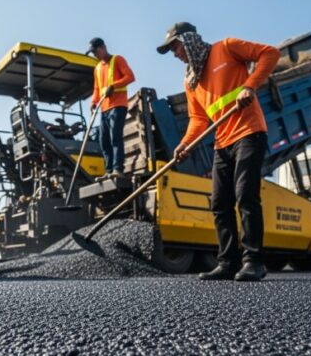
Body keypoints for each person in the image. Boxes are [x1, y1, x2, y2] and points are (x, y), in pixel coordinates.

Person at [157, 22, 280, 281]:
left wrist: (250, 85)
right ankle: (227, 263)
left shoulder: (227, 47)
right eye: (171, 50)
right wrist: (185, 144)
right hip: (222, 142)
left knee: (245, 195)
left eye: (176, 46)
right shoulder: (191, 80)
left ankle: (254, 262)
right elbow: (198, 119)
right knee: (219, 203)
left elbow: (270, 53)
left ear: (189, 39)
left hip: (249, 132)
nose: (175, 53)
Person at [87, 37, 135, 181]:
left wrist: (113, 86)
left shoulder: (117, 60)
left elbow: (130, 77)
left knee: (115, 137)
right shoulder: (97, 68)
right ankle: (109, 171)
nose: (95, 55)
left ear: (103, 47)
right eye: (93, 53)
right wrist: (93, 102)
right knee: (104, 140)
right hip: (104, 109)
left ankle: (117, 169)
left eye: (95, 51)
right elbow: (97, 89)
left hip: (118, 106)